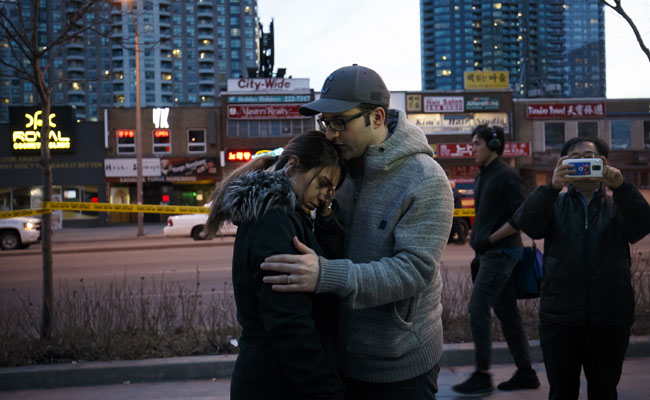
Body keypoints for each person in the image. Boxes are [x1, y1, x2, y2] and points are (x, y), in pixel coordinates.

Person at [259, 64, 454, 399]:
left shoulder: (425, 179)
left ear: (376, 117)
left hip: (400, 366)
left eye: (340, 123)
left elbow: (413, 271)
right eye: (325, 123)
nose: (330, 134)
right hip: (340, 357)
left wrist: (327, 275)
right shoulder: (338, 169)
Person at [204, 131, 346, 400]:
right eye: (322, 184)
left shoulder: (290, 216)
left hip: (275, 378)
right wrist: (327, 391)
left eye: (332, 190)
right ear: (292, 165)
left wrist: (326, 221)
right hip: (276, 384)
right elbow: (290, 324)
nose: (326, 197)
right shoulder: (276, 223)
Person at [514, 137, 650, 400]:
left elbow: (642, 226)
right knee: (562, 392)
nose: (582, 163)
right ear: (562, 165)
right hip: (560, 319)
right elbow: (527, 223)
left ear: (603, 163)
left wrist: (622, 188)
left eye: (588, 156)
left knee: (604, 391)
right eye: (574, 158)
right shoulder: (554, 203)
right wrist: (550, 189)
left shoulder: (617, 204)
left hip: (609, 318)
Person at [452, 125, 539, 395]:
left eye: (477, 143)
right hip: (488, 254)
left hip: (502, 254)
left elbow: (523, 216)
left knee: (478, 307)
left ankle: (482, 375)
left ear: (493, 145)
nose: (472, 148)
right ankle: (526, 373)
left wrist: (491, 239)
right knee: (507, 314)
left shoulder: (507, 175)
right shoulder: (483, 176)